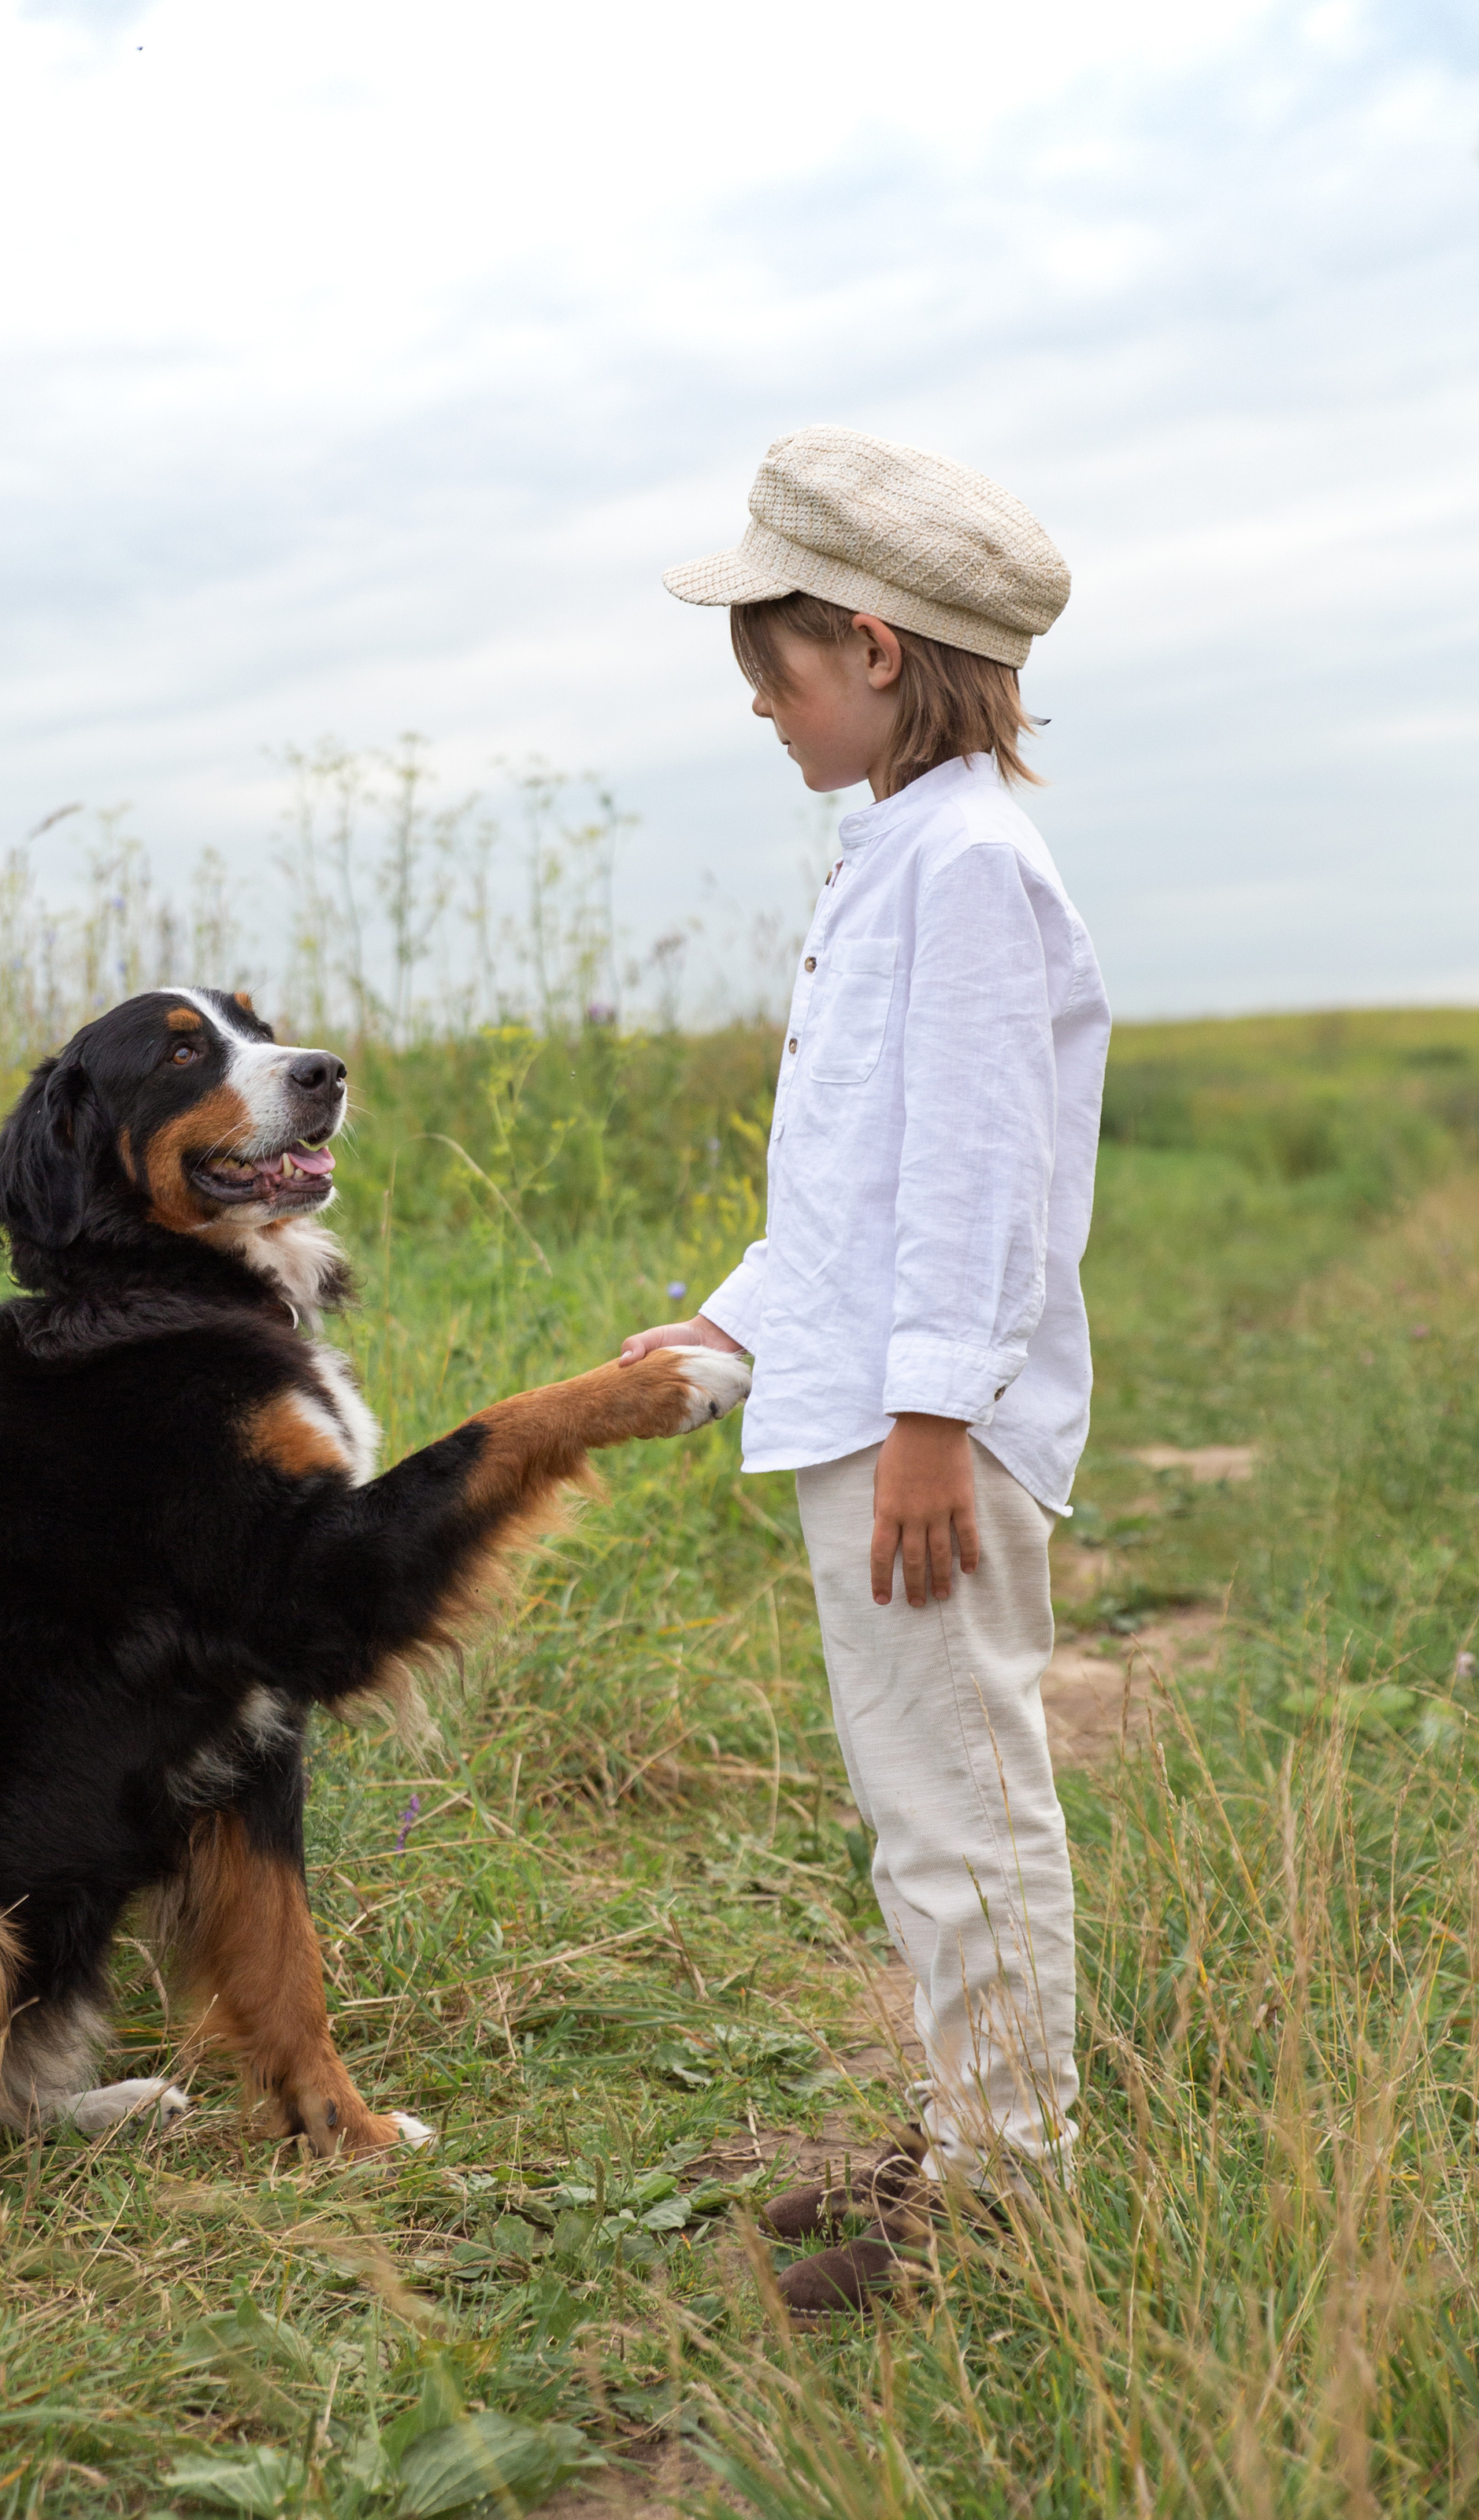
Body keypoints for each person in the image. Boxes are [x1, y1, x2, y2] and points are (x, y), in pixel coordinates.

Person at [620, 427, 1110, 2314]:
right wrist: (736, 1324)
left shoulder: (968, 864)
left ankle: (1009, 2189)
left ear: (874, 646)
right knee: (920, 1790)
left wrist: (924, 1419)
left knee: (958, 1798)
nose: (758, 707)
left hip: (931, 1435)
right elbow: (856, 1174)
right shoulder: (900, 850)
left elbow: (981, 1173)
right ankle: (976, 2125)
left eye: (774, 669)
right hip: (878, 1408)